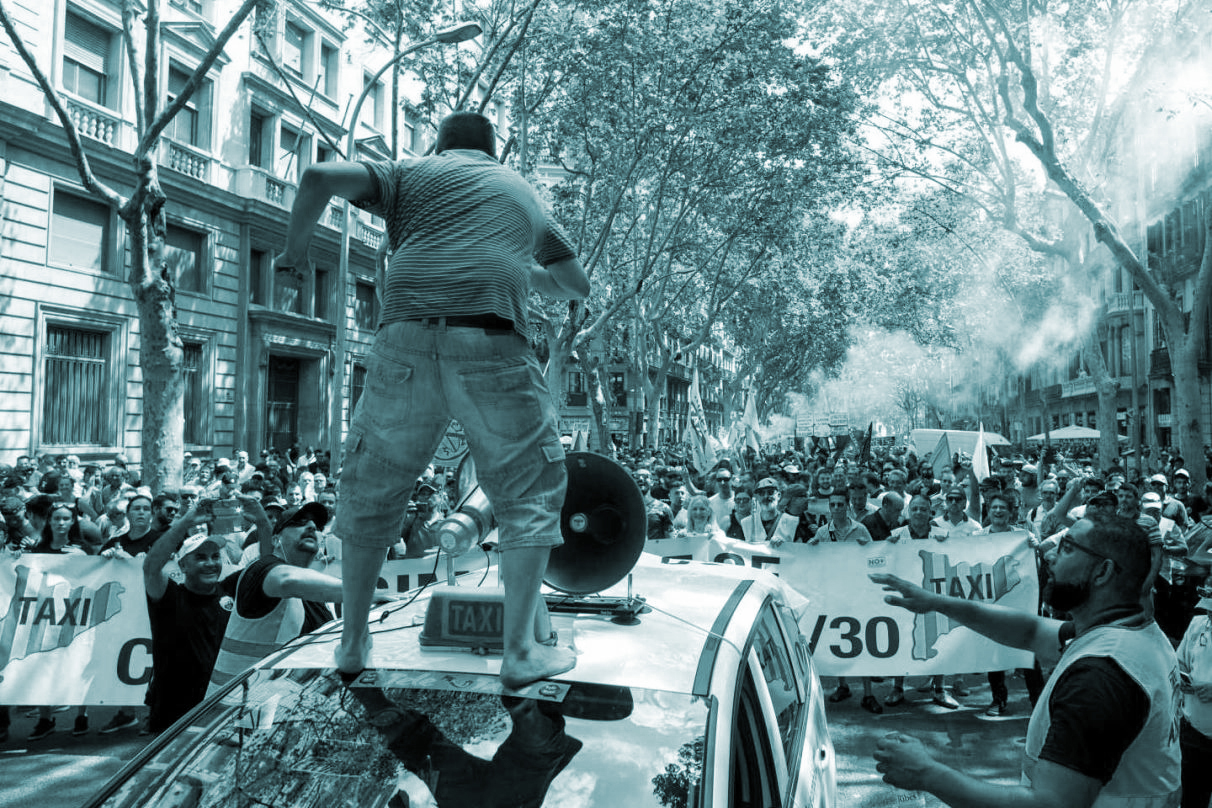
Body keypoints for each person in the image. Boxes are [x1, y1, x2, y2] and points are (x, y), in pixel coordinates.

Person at [273, 110, 588, 690]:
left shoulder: (410, 172)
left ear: (438, 145)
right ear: (494, 153)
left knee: (373, 487)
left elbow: (317, 176)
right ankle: (520, 652)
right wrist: (522, 269)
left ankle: (352, 641)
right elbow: (576, 284)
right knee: (528, 493)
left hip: (405, 337)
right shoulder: (524, 195)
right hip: (494, 341)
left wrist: (294, 255)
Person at [872, 513, 1179, 808]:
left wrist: (926, 773)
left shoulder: (1100, 677)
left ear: (1103, 572)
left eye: (1068, 548)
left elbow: (1051, 804)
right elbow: (1031, 630)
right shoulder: (1130, 633)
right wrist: (937, 602)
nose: (1051, 556)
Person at [207, 502, 392, 692]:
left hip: (277, 710)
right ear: (276, 539)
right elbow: (286, 579)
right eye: (299, 522)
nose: (311, 527)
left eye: (316, 526)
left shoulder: (315, 599)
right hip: (227, 713)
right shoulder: (260, 569)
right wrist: (365, 594)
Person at [141, 496, 268, 733]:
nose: (210, 563)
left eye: (214, 556)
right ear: (182, 566)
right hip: (175, 714)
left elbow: (267, 567)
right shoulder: (168, 596)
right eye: (200, 557)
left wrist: (262, 522)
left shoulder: (231, 589)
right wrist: (186, 521)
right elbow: (150, 567)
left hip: (225, 709)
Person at [1178, 583, 1212, 808]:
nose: (1209, 614)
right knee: (1191, 798)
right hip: (1193, 733)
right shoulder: (1198, 625)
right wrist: (1182, 678)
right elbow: (1180, 660)